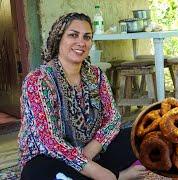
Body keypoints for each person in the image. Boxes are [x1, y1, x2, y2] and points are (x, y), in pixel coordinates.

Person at [18, 12, 147, 180]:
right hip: (52, 158)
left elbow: (113, 119)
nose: (81, 42)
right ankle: (119, 177)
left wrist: (90, 152)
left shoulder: (96, 75)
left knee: (140, 136)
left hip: (93, 153)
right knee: (39, 173)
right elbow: (49, 141)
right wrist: (92, 169)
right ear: (59, 39)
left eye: (87, 37)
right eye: (73, 35)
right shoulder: (38, 81)